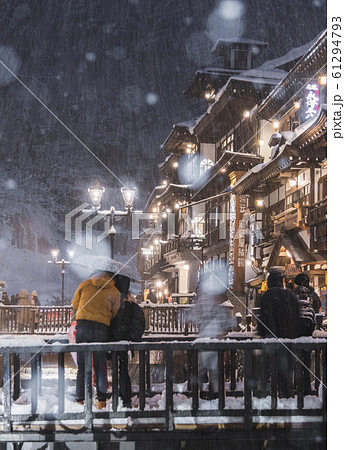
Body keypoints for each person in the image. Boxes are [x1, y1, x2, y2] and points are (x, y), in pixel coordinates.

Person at [72, 271, 121, 409]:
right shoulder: (114, 291)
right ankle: (101, 401)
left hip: (82, 326)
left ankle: (80, 399)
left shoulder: (85, 284)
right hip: (101, 328)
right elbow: (114, 312)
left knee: (82, 366)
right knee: (100, 366)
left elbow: (75, 304)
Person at [258, 268, 300, 398]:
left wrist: (262, 334)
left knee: (267, 370)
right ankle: (286, 395)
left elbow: (262, 320)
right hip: (287, 340)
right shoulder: (290, 296)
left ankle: (267, 397)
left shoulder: (266, 297)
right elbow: (296, 318)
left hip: (270, 339)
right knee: (285, 370)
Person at [191, 269, 233, 399]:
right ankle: (218, 399)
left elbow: (192, 316)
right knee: (215, 374)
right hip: (216, 342)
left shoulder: (201, 300)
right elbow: (229, 322)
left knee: (198, 372)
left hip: (203, 342)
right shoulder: (216, 299)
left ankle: (196, 399)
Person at [108, 274, 133, 407]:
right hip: (123, 341)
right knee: (123, 370)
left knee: (119, 370)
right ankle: (124, 397)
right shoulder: (127, 302)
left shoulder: (120, 302)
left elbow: (119, 324)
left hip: (118, 341)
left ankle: (122, 398)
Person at [293, 272, 320, 394]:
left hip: (295, 335)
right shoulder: (313, 295)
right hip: (308, 334)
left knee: (295, 362)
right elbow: (317, 308)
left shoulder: (292, 295)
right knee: (306, 363)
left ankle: (296, 389)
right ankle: (307, 390)